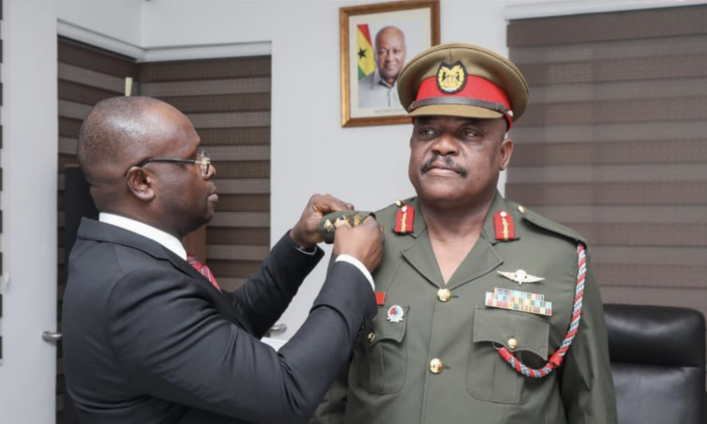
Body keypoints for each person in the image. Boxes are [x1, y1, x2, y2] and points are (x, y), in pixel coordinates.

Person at [312, 43, 618, 424]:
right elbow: (326, 396)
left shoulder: (561, 260)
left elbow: (592, 407)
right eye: (427, 130)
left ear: (503, 154)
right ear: (412, 143)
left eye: (469, 133)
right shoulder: (361, 242)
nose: (442, 145)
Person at [62, 96, 385, 424]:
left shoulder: (119, 255)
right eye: (193, 158)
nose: (209, 168)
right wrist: (352, 267)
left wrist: (298, 242)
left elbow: (237, 318)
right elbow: (288, 391)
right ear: (142, 182)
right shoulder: (134, 287)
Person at [358, 26, 406, 108]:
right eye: (383, 52)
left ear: (405, 53)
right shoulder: (358, 90)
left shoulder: (417, 87)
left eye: (396, 51)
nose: (390, 58)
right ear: (375, 55)